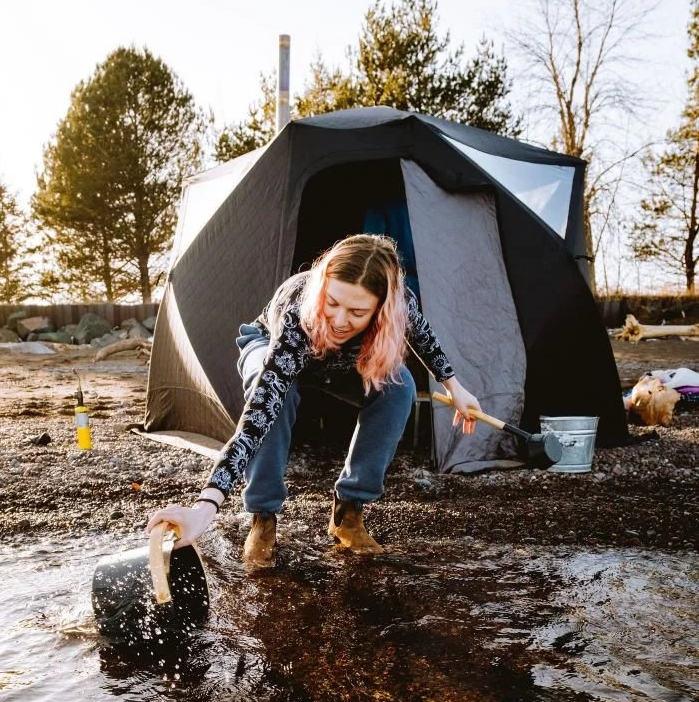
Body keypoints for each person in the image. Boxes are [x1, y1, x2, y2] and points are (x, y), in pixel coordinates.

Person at [147, 234, 481, 564]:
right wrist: (205, 507)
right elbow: (255, 420)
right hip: (273, 347)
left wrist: (455, 387)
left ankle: (348, 512)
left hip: (340, 363)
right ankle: (263, 518)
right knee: (275, 401)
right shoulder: (297, 314)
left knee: (400, 385)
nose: (339, 320)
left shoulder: (400, 305)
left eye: (357, 311)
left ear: (382, 308)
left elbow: (425, 339)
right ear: (323, 289)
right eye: (332, 303)